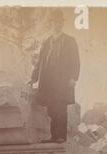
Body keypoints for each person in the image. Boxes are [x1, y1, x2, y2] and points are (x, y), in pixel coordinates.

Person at [28, 8, 80, 143]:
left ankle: (61, 136)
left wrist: (73, 78)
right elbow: (39, 62)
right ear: (51, 24)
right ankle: (53, 136)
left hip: (63, 82)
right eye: (54, 22)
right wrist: (33, 78)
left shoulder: (70, 40)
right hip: (48, 82)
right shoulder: (46, 42)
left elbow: (76, 60)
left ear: (62, 24)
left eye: (59, 22)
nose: (56, 25)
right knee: (51, 109)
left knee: (61, 108)